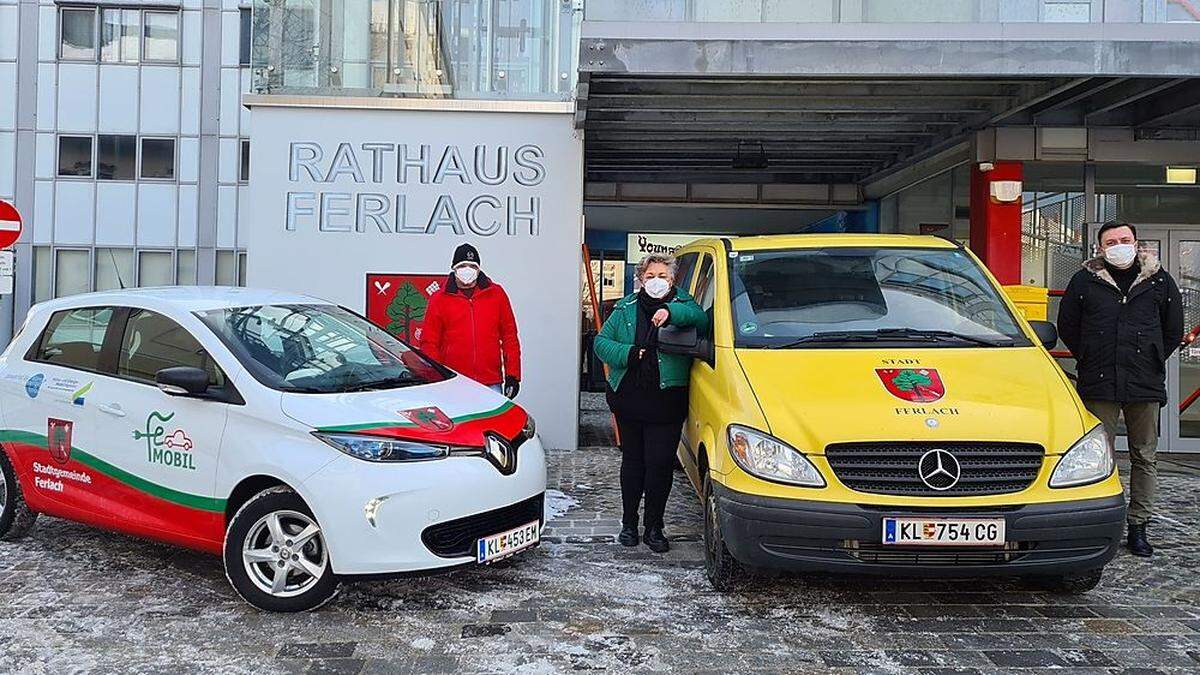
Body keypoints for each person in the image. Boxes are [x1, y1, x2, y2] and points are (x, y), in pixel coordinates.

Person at [1057, 221, 1183, 558]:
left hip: (1144, 381)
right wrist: (1090, 355)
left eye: (1125, 239)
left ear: (1136, 242)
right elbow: (1068, 326)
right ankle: (1098, 524)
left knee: (1145, 455)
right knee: (1098, 455)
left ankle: (1138, 525)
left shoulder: (1159, 280)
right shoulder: (1084, 280)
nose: (1119, 245)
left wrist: (1152, 356)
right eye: (1111, 241)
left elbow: (1173, 329)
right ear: (1100, 247)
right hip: (1099, 381)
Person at [593, 253, 707, 553]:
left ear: (673, 280)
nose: (657, 282)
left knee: (659, 466)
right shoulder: (626, 307)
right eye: (651, 276)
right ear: (641, 279)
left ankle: (654, 526)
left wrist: (669, 311)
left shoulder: (684, 304)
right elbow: (601, 343)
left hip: (666, 401)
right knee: (633, 463)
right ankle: (629, 522)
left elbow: (701, 320)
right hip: (629, 398)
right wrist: (629, 353)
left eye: (663, 277)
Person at [419, 244, 521, 398]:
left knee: (493, 422)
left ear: (479, 269)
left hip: (491, 383)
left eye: (472, 266)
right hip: (453, 384)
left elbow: (509, 336)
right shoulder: (439, 299)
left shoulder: (496, 294)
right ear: (454, 268)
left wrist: (513, 375)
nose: (468, 270)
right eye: (462, 266)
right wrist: (437, 379)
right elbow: (429, 343)